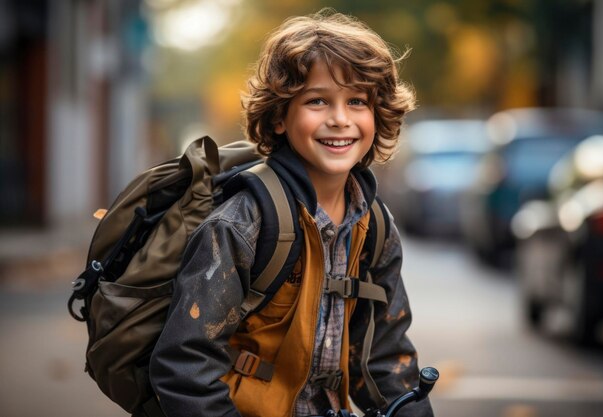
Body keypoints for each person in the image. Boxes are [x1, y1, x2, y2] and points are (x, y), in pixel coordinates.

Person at [149, 9, 434, 417]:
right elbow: (184, 365)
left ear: (377, 114)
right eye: (317, 101)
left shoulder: (374, 227)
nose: (340, 119)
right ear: (281, 116)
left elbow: (386, 359)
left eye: (357, 101)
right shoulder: (243, 223)